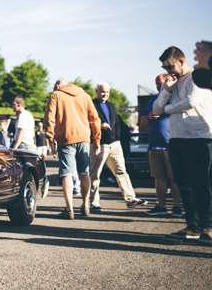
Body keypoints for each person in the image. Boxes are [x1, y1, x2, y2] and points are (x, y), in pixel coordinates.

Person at [153, 46, 212, 243]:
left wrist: (167, 109)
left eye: (171, 66)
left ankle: (209, 226)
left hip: (200, 138)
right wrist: (165, 90)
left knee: (202, 185)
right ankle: (193, 227)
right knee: (184, 185)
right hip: (177, 138)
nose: (168, 70)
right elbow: (155, 109)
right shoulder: (172, 82)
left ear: (181, 60)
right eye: (164, 67)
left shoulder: (198, 76)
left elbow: (191, 101)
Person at [45, 79, 101, 219]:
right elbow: (94, 118)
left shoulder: (56, 95)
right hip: (84, 137)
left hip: (66, 138)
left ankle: (69, 209)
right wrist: (97, 139)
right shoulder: (85, 95)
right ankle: (86, 205)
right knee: (84, 172)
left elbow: (50, 118)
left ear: (58, 86)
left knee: (67, 173)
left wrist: (50, 138)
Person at [89, 82, 147, 212]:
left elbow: (118, 123)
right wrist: (99, 125)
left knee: (121, 171)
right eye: (102, 92)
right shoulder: (91, 105)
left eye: (107, 92)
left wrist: (119, 138)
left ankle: (131, 199)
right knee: (95, 175)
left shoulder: (111, 106)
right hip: (99, 144)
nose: (105, 94)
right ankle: (94, 203)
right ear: (96, 91)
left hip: (115, 144)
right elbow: (87, 122)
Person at [146, 74, 182, 217]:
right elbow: (143, 121)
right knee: (159, 178)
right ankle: (161, 206)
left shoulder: (175, 98)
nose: (157, 86)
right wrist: (149, 117)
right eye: (156, 84)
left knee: (174, 177)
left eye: (160, 83)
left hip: (171, 144)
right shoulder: (152, 100)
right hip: (154, 146)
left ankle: (177, 206)